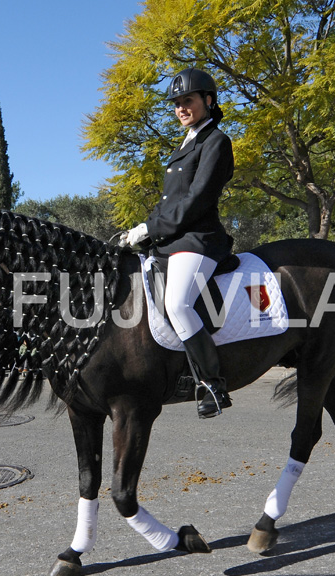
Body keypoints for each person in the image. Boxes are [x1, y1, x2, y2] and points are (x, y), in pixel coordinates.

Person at [119, 67, 234, 418]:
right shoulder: (184, 144)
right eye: (178, 103)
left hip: (198, 240)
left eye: (189, 101)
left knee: (178, 303)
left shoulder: (216, 141)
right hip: (172, 240)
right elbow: (170, 202)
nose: (182, 108)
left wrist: (151, 229)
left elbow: (197, 200)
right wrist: (142, 228)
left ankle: (212, 385)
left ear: (208, 101)